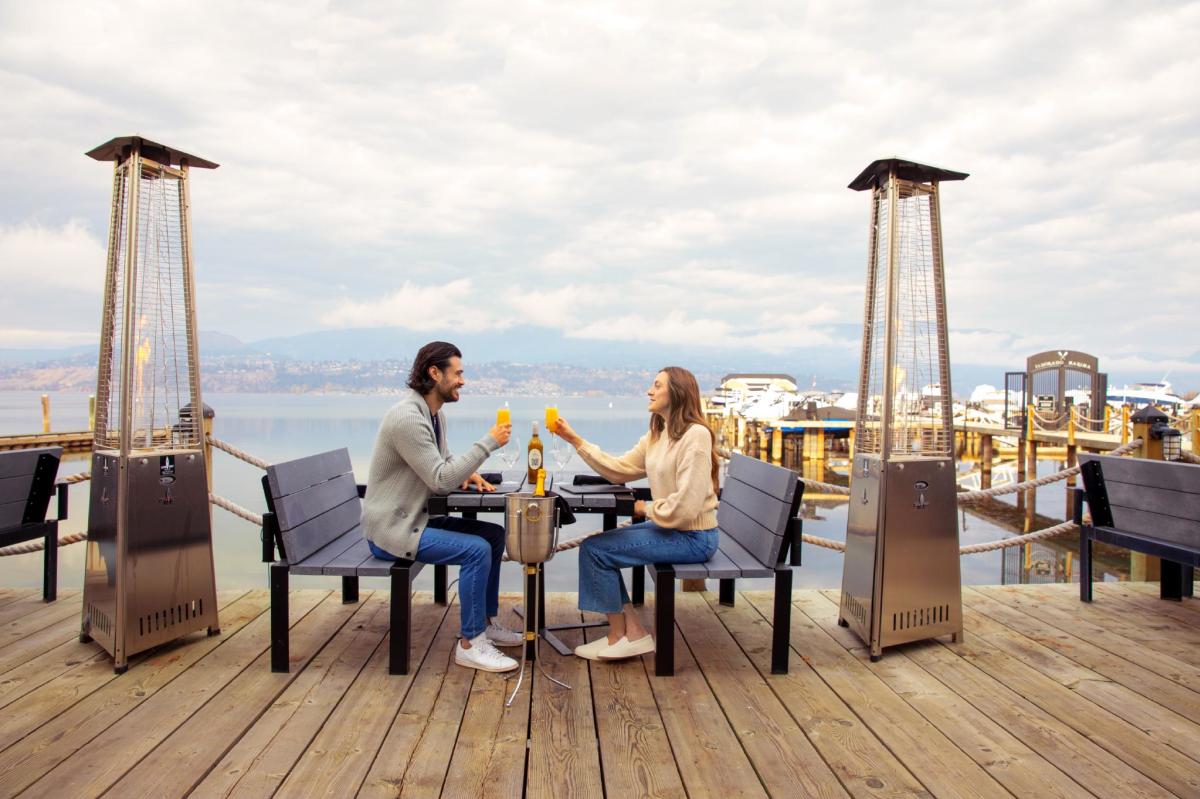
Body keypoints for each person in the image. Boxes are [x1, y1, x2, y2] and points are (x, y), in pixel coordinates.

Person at [362, 341, 522, 673]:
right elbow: (438, 479)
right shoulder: (407, 417)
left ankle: (484, 622)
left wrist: (470, 473)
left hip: (417, 519)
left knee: (492, 535)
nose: (463, 380)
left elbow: (444, 462)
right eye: (458, 373)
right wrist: (488, 442)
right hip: (393, 530)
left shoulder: (433, 414)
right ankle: (470, 643)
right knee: (476, 550)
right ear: (435, 373)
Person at [551, 366, 720, 661]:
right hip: (673, 530)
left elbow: (687, 506)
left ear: (677, 393)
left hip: (694, 536)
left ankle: (621, 636)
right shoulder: (658, 434)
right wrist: (575, 440)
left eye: (657, 386)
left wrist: (647, 508)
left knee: (597, 551)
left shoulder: (696, 436)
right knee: (596, 548)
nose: (649, 391)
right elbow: (620, 471)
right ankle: (631, 634)